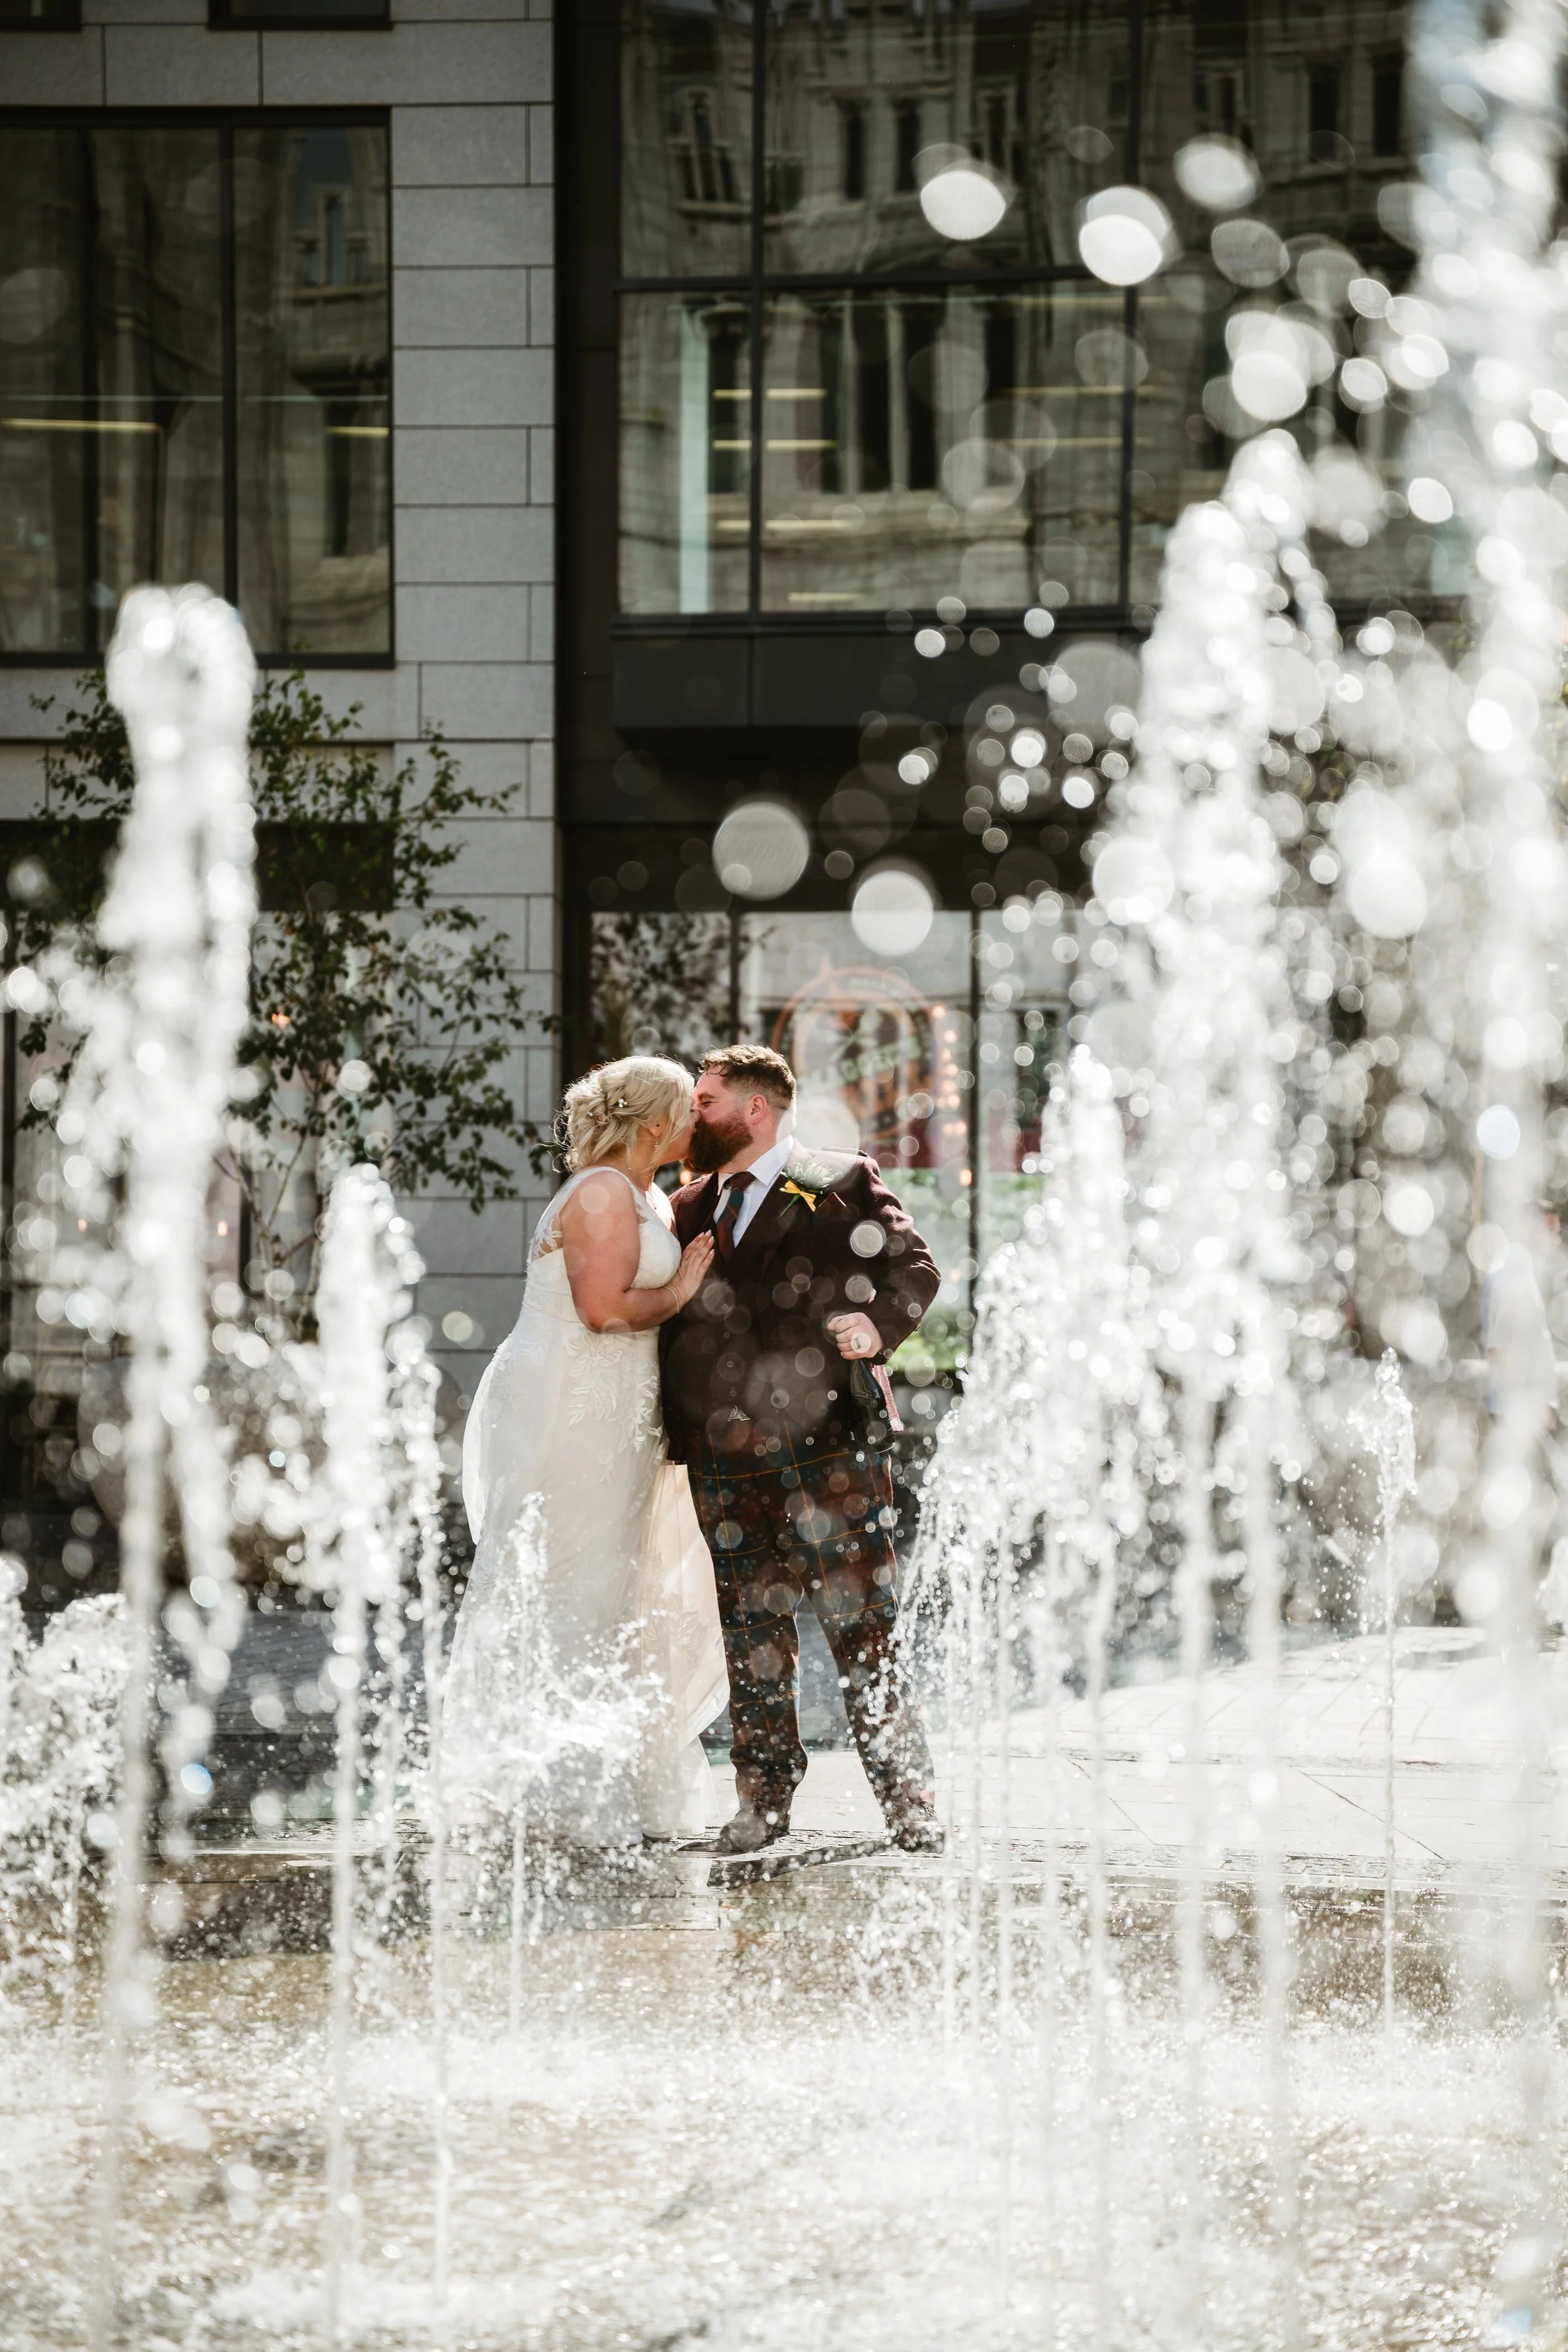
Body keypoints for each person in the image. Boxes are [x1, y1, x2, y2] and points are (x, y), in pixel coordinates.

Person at [660, 1043, 943, 1855]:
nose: (693, 1117)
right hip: (725, 1456)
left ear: (756, 1109)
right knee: (752, 1629)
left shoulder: (838, 1179)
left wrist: (876, 1325)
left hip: (833, 1455)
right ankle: (762, 1798)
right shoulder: (687, 1207)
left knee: (865, 1629)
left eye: (705, 1102)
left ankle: (908, 1798)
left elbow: (915, 1268)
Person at [447, 1056, 728, 1846]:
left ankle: (602, 1777)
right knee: (570, 1582)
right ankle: (548, 1793)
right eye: (686, 1113)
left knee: (614, 1588)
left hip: (616, 1415)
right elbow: (604, 1310)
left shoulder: (642, 1194)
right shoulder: (604, 1193)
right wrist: (681, 1290)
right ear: (652, 1125)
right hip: (571, 1409)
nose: (694, 1126)